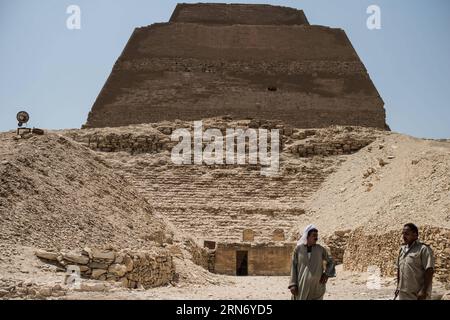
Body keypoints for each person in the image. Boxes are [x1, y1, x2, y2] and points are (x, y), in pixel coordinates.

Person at [288, 224, 336, 300]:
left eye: (317, 235)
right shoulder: (298, 250)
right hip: (302, 286)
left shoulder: (320, 249)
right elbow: (293, 266)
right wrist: (292, 284)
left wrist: (326, 274)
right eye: (314, 235)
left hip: (317, 287)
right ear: (307, 236)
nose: (316, 237)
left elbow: (331, 261)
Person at [395, 223, 435, 300]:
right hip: (403, 293)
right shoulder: (402, 250)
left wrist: (423, 290)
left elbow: (429, 270)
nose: (403, 236)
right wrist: (398, 286)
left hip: (417, 294)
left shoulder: (423, 249)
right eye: (403, 233)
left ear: (415, 235)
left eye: (406, 234)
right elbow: (399, 269)